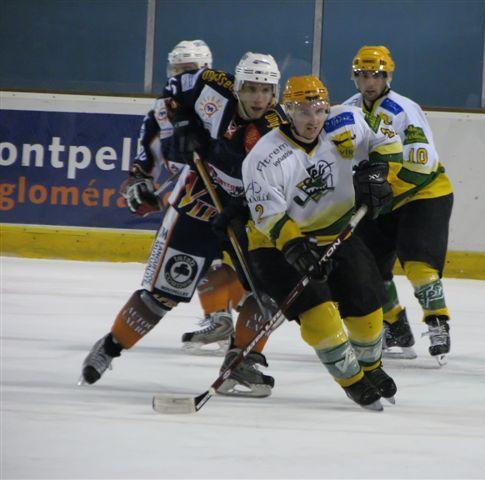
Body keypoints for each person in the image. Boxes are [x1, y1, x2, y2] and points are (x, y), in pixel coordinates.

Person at [79, 51, 287, 398]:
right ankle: (110, 346)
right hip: (198, 205)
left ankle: (241, 361)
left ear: (274, 93)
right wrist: (185, 123)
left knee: (271, 291)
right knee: (162, 294)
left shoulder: (278, 129)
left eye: (265, 90)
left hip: (247, 215)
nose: (258, 98)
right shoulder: (211, 84)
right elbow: (174, 88)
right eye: (251, 89)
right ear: (237, 87)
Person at [242, 75, 402, 410]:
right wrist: (295, 248)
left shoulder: (347, 121)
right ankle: (352, 380)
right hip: (277, 246)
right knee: (320, 316)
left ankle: (371, 367)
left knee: (367, 306)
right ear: (287, 111)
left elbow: (386, 141)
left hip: (337, 231)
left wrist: (379, 173)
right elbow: (269, 218)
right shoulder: (264, 157)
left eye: (319, 110)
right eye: (303, 111)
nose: (313, 119)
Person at [121, 40, 240, 356]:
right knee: (202, 257)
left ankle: (231, 316)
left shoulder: (219, 105)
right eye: (178, 70)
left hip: (226, 191)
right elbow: (145, 157)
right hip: (191, 194)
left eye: (190, 70)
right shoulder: (160, 111)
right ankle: (220, 318)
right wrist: (139, 180)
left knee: (237, 260)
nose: (182, 77)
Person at [344, 46, 454, 363]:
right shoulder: (348, 110)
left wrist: (385, 189)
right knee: (367, 268)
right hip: (380, 200)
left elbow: (423, 162)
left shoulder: (405, 109)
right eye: (363, 75)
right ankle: (395, 327)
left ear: (387, 76)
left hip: (423, 193)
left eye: (376, 75)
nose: (369, 82)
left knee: (419, 264)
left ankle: (438, 323)